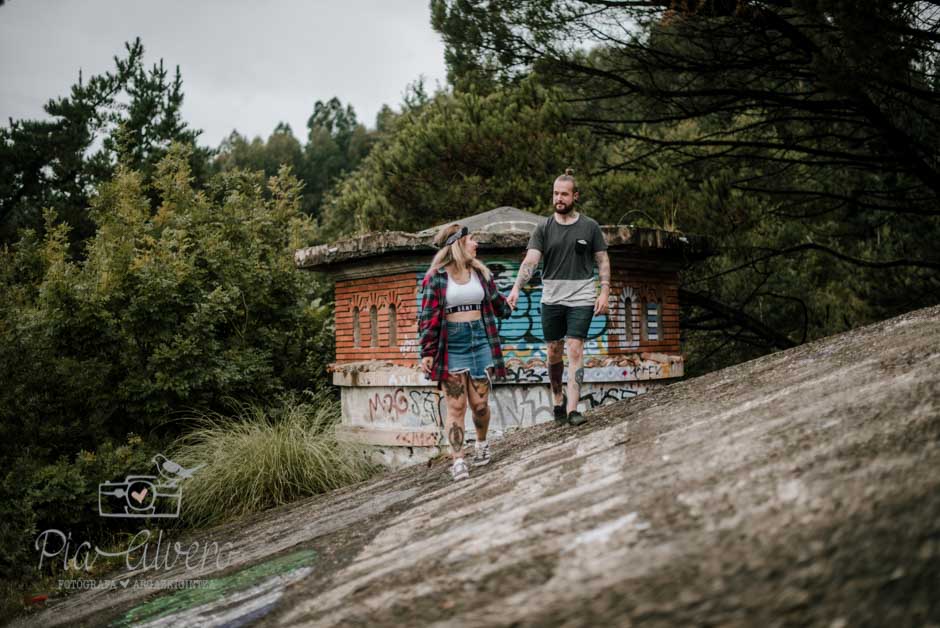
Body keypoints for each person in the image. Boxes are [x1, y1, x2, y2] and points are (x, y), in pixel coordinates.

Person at [507, 169, 610, 427]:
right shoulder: (543, 228)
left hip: (582, 296)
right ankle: (557, 396)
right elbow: (531, 260)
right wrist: (517, 287)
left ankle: (574, 409)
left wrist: (605, 291)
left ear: (575, 196)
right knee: (554, 351)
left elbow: (602, 259)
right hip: (552, 298)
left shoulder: (590, 226)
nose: (559, 198)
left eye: (564, 194)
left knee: (575, 348)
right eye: (555, 194)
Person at [419, 223, 513, 481]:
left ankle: (481, 444)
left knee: (480, 405)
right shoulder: (436, 277)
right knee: (456, 407)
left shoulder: (480, 273)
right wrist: (427, 351)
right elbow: (426, 316)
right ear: (458, 244)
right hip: (452, 342)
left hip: (480, 340)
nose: (476, 244)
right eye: (472, 239)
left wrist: (509, 305)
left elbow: (497, 303)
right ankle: (458, 460)